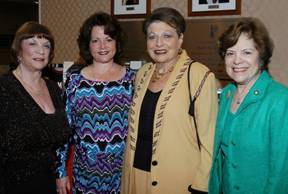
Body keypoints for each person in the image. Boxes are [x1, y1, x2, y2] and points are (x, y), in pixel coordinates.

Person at [121, 7, 218, 194]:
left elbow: (210, 140)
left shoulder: (199, 75)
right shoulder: (142, 73)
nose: (159, 43)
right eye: (152, 36)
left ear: (180, 38)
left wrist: (201, 186)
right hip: (136, 175)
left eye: (167, 36)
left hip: (177, 180)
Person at [55, 12, 135, 194]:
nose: (102, 46)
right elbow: (64, 132)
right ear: (87, 45)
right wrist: (60, 172)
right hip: (85, 177)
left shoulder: (133, 80)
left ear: (117, 42)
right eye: (95, 40)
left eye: (108, 39)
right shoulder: (75, 82)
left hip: (124, 177)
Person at [208, 18, 288, 194]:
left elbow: (281, 171)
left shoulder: (280, 99)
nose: (237, 60)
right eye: (230, 53)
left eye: (246, 52)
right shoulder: (227, 94)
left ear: (261, 56)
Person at [0, 21, 71, 194]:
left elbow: (60, 141)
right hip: (12, 184)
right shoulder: (4, 88)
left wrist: (60, 174)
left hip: (48, 183)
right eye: (32, 43)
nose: (41, 50)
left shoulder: (54, 88)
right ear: (18, 50)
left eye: (46, 45)